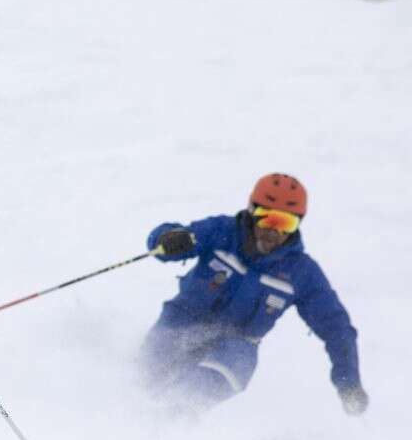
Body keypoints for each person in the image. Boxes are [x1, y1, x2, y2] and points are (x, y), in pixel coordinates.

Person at [141, 173, 368, 415]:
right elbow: (164, 244)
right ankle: (136, 410)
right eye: (267, 219)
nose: (274, 232)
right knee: (145, 378)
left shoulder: (300, 273)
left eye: (285, 224)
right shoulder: (221, 232)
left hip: (235, 343)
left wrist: (349, 384)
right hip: (182, 322)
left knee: (234, 366)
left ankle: (176, 416)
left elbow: (337, 328)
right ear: (252, 211)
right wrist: (171, 239)